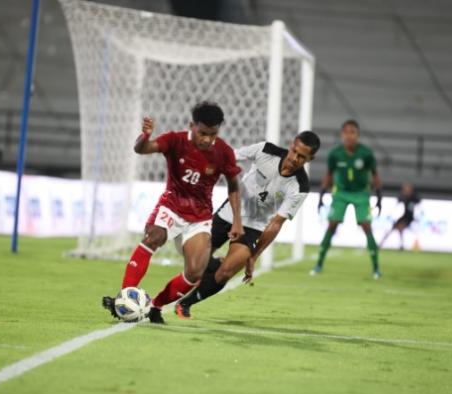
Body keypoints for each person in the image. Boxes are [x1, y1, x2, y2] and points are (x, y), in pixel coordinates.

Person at [102, 101, 244, 324]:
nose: (207, 139)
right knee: (153, 237)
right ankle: (125, 298)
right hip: (172, 205)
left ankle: (156, 306)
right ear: (191, 126)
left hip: (199, 217)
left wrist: (237, 220)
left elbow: (234, 185)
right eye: (203, 133)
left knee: (195, 272)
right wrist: (144, 136)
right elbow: (141, 149)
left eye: (213, 134)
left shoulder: (224, 152)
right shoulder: (175, 140)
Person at [175, 131, 321, 319]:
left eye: (302, 157)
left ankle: (186, 303)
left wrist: (254, 256)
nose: (294, 158)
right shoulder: (265, 150)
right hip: (229, 213)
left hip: (253, 226)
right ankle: (213, 263)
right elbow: (229, 157)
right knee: (192, 257)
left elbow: (276, 223)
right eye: (294, 151)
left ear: (310, 159)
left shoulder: (300, 186)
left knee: (226, 272)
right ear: (291, 145)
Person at [311, 119, 383, 279]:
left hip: (361, 194)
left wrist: (379, 199)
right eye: (346, 132)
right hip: (341, 193)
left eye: (353, 132)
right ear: (342, 134)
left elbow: (375, 176)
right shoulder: (335, 154)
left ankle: (376, 268)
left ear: (357, 135)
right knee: (332, 225)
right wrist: (321, 196)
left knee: (366, 226)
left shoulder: (366, 154)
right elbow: (328, 176)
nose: (349, 136)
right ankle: (318, 264)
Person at [380, 182, 420, 250]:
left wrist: (418, 217)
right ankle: (381, 244)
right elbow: (398, 203)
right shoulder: (404, 197)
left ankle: (401, 246)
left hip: (409, 218)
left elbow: (418, 206)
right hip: (404, 216)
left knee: (400, 228)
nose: (405, 190)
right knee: (393, 229)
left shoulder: (414, 198)